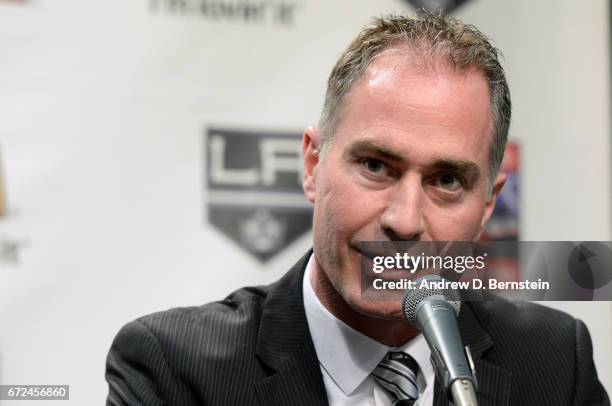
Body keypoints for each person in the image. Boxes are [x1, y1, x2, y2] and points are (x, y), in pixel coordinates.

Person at [105, 13, 610, 406]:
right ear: (312, 165)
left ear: (486, 206)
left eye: (447, 180)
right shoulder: (175, 367)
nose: (405, 220)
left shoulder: (553, 360)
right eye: (375, 165)